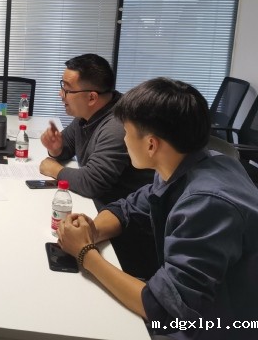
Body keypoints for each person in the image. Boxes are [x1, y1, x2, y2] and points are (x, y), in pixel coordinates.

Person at [57, 78, 258, 339]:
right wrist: (91, 230)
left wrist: (85, 253)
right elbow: (129, 208)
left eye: (126, 133)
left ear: (151, 145)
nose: (124, 140)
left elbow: (163, 308)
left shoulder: (208, 204)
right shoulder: (184, 162)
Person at [39, 53, 153, 207]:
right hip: (96, 204)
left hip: (119, 211)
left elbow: (92, 183)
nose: (61, 94)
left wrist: (56, 170)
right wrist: (57, 149)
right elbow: (68, 145)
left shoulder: (118, 126)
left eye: (67, 89)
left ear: (92, 98)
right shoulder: (87, 113)